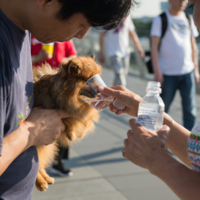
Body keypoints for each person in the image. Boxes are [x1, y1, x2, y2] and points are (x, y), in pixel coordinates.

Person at [0, 0, 133, 199]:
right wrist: (31, 131)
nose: (82, 35)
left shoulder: (23, 29)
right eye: (82, 24)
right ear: (47, 2)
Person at [31, 35, 77, 177]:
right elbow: (20, 61)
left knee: (66, 124)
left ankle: (58, 162)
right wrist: (39, 57)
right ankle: (35, 164)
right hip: (37, 86)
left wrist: (65, 63)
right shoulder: (32, 33)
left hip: (60, 87)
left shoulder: (65, 34)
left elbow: (73, 56)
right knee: (37, 126)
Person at [151, 0, 199, 131]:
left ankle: (188, 141)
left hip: (187, 71)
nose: (183, 1)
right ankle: (156, 136)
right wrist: (157, 71)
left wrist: (196, 70)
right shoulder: (160, 19)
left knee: (190, 110)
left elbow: (193, 45)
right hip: (167, 73)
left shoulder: (189, 18)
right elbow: (154, 46)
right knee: (162, 109)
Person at [99, 15, 145, 87]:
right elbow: (101, 36)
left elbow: (132, 33)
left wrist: (139, 47)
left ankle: (113, 95)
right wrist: (101, 52)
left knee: (121, 75)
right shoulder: (106, 15)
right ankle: (120, 97)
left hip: (125, 52)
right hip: (113, 52)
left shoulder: (127, 16)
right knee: (119, 76)